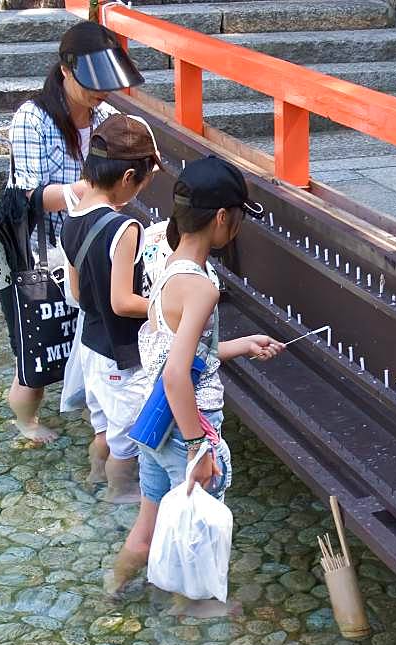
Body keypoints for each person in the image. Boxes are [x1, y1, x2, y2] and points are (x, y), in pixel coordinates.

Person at [105, 156, 284, 598]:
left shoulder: (165, 268)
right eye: (239, 218)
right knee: (198, 536)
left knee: (148, 529)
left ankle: (110, 593)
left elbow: (170, 354)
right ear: (223, 217)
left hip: (154, 423)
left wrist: (240, 346)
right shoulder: (203, 286)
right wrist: (196, 449)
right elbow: (176, 376)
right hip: (189, 425)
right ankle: (193, 622)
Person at [2, 20, 144, 444]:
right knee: (39, 346)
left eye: (106, 84)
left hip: (88, 248)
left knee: (88, 340)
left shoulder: (107, 117)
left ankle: (95, 416)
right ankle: (26, 422)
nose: (100, 93)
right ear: (65, 70)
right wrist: (82, 192)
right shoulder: (34, 118)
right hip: (38, 250)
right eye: (92, 83)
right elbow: (25, 196)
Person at [60, 114, 164, 504]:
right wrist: (163, 306)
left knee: (102, 429)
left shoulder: (72, 214)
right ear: (126, 179)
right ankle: (120, 495)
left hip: (89, 344)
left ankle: (93, 479)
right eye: (143, 183)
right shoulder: (125, 228)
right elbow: (123, 302)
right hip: (118, 354)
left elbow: (76, 291)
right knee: (128, 439)